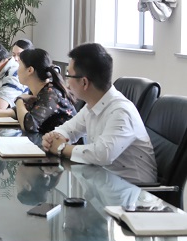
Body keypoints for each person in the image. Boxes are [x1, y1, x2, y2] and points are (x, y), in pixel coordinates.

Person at [42, 43, 157, 184]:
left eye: (68, 75)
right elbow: (69, 129)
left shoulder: (121, 111)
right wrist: (53, 138)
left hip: (133, 191)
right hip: (104, 183)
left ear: (84, 82)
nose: (67, 83)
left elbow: (102, 154)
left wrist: (61, 148)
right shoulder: (92, 105)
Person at [0, 48, 76, 133]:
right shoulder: (40, 90)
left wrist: (19, 100)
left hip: (66, 149)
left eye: (20, 65)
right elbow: (18, 112)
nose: (17, 69)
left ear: (30, 70)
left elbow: (29, 125)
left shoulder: (51, 94)